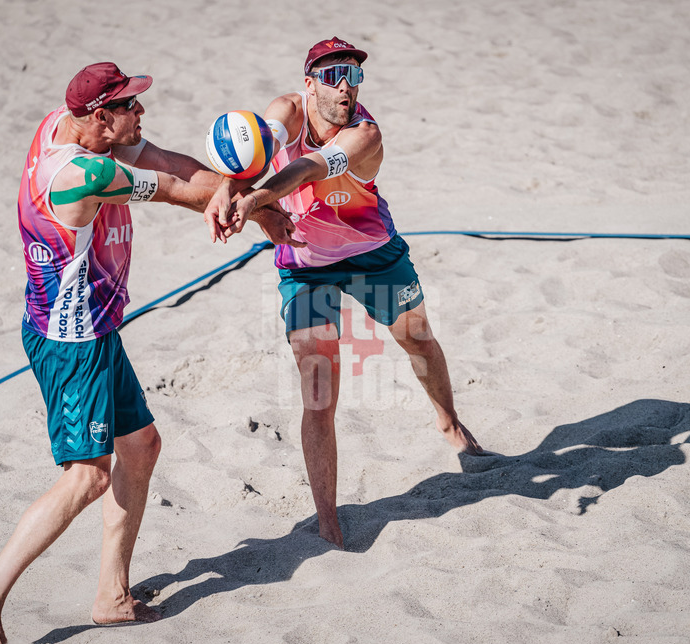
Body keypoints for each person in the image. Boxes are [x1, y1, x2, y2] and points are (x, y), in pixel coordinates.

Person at [0, 62, 297, 644]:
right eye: (129, 105)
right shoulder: (84, 173)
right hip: (71, 342)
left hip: (93, 328)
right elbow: (175, 190)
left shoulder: (64, 124)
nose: (140, 112)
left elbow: (167, 161)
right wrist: (258, 207)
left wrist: (236, 187)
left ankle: (112, 595)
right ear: (99, 116)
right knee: (87, 476)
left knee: (141, 446)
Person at [205, 38, 482, 549]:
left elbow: (308, 168)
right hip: (307, 266)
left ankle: (449, 423)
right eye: (334, 76)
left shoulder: (365, 134)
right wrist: (227, 186)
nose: (346, 87)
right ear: (309, 83)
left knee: (418, 339)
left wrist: (256, 199)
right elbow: (253, 150)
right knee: (319, 390)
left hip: (372, 253)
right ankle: (327, 518)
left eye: (354, 76)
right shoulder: (286, 111)